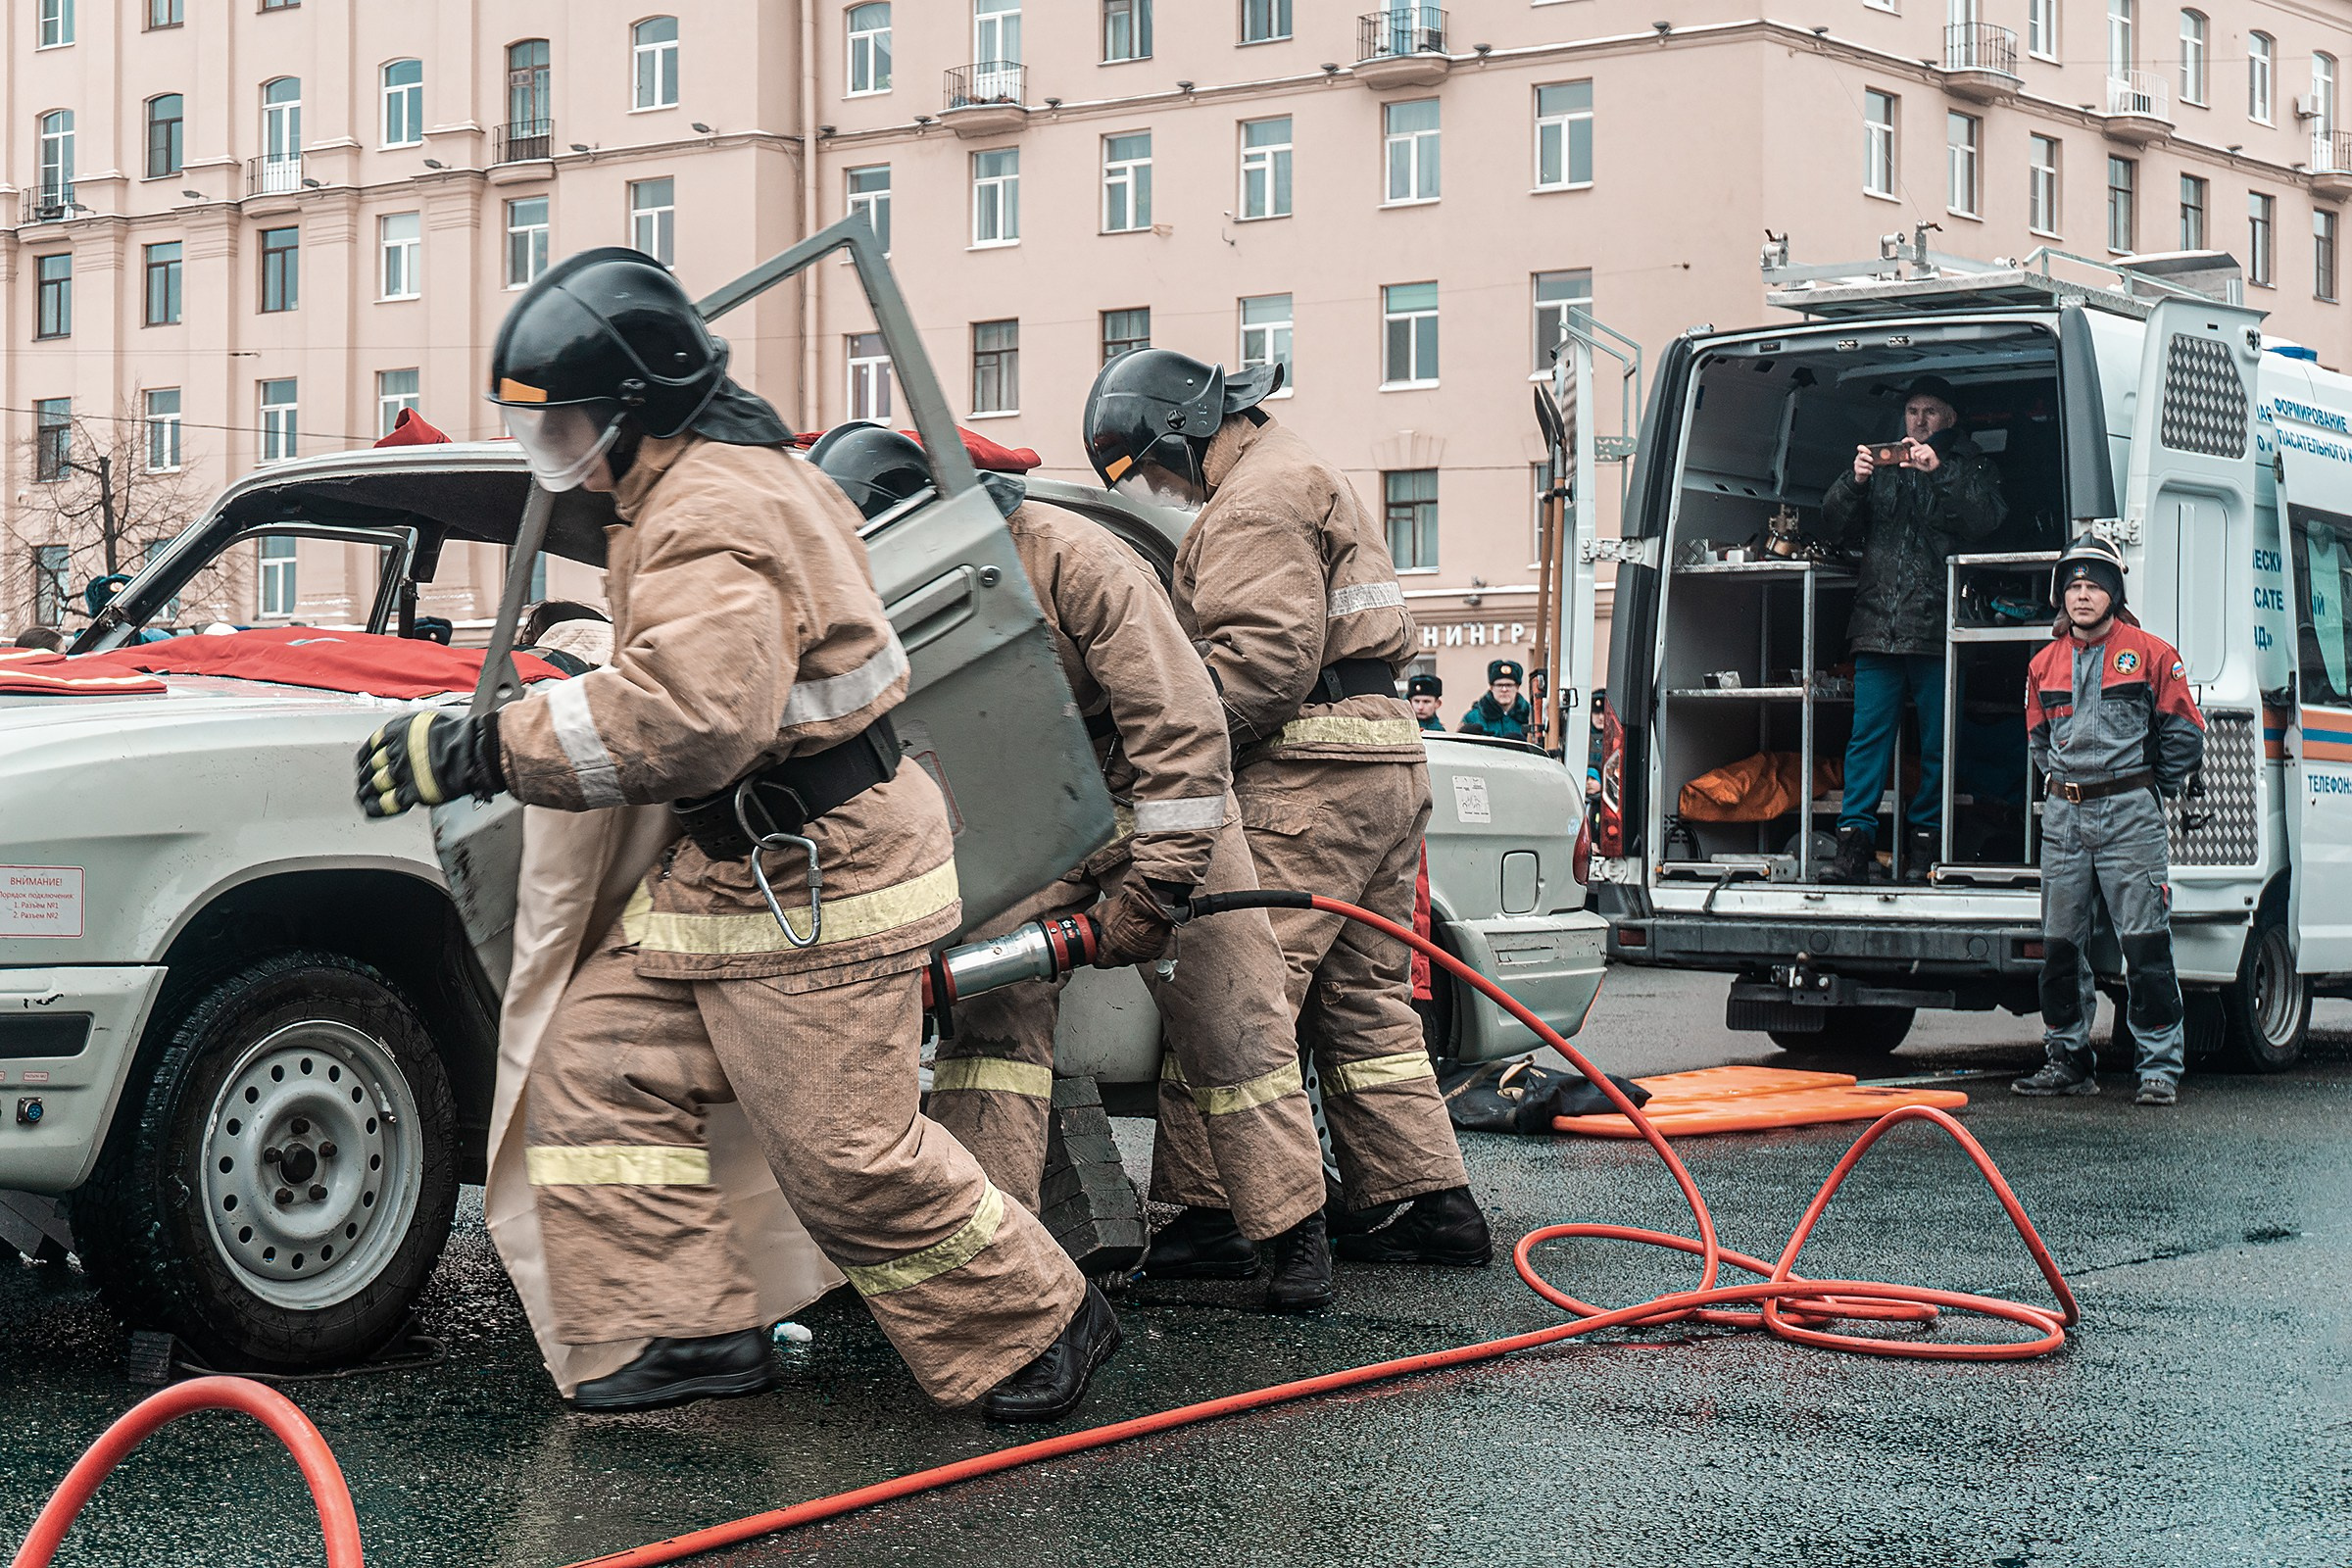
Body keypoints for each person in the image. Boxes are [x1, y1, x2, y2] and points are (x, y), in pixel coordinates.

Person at [353, 249, 1114, 1421]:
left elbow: (692, 718)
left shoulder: (714, 507)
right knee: (591, 1063)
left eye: (563, 420)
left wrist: (486, 747)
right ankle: (683, 1328)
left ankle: (1036, 1322)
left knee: (847, 1158)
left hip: (818, 876)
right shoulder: (695, 482)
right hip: (740, 872)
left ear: (641, 404)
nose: (550, 446)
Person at [811, 424, 1335, 1312]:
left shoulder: (1072, 556)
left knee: (1235, 1011)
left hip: (1148, 793)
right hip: (1032, 818)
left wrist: (1164, 883)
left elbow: (1183, 727)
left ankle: (1292, 1238)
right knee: (992, 1025)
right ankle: (987, 1259)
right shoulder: (878, 591)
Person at [1082, 348, 1489, 1267]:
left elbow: (1262, 664)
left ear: (1181, 434)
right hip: (1382, 756)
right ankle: (1426, 1201)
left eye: (1153, 466)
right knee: (1366, 1003)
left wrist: (1166, 748)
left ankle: (1210, 1210)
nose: (1160, 487)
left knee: (1231, 994)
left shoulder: (1252, 503)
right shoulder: (1300, 468)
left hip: (1307, 772)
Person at [2013, 535, 2205, 1107]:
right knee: (2061, 948)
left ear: (2114, 593)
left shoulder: (2152, 653)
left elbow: (2184, 736)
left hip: (2130, 816)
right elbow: (2039, 741)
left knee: (2145, 946)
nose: (2082, 595)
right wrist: (2071, 787)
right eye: (2072, 585)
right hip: (2065, 817)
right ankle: (2067, 1059)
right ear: (2060, 595)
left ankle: (2159, 1067)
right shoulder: (2043, 665)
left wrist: (2146, 788)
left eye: (2094, 585)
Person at [1814, 375, 2007, 884]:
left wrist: (1939, 471)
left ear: (1950, 420)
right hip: (1877, 625)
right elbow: (1832, 524)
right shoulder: (1882, 466)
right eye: (1912, 411)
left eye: (1930, 413)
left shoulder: (1971, 465)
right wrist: (1852, 481)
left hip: (1939, 627)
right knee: (1867, 740)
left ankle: (1927, 849)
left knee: (1940, 743)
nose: (1918, 422)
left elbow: (1987, 521)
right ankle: (1852, 849)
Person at [1458, 660, 1533, 740]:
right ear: (1491, 687)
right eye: (1499, 685)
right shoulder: (1473, 718)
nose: (1504, 689)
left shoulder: (1530, 716)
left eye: (1509, 685)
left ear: (1517, 687)